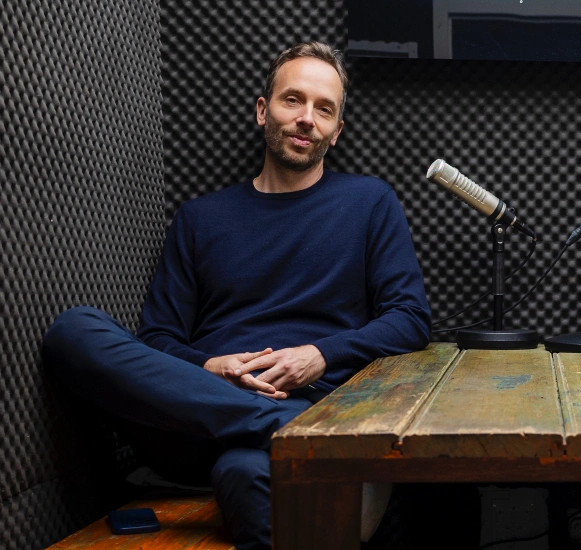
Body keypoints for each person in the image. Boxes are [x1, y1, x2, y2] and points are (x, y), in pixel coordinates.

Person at [42, 42, 431, 550]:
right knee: (74, 332)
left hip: (303, 407)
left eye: (324, 109)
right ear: (262, 110)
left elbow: (410, 319)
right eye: (293, 100)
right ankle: (289, 429)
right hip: (192, 418)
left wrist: (319, 355)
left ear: (337, 133)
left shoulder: (369, 202)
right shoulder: (199, 219)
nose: (306, 118)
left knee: (247, 472)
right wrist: (210, 368)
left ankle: (288, 432)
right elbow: (158, 337)